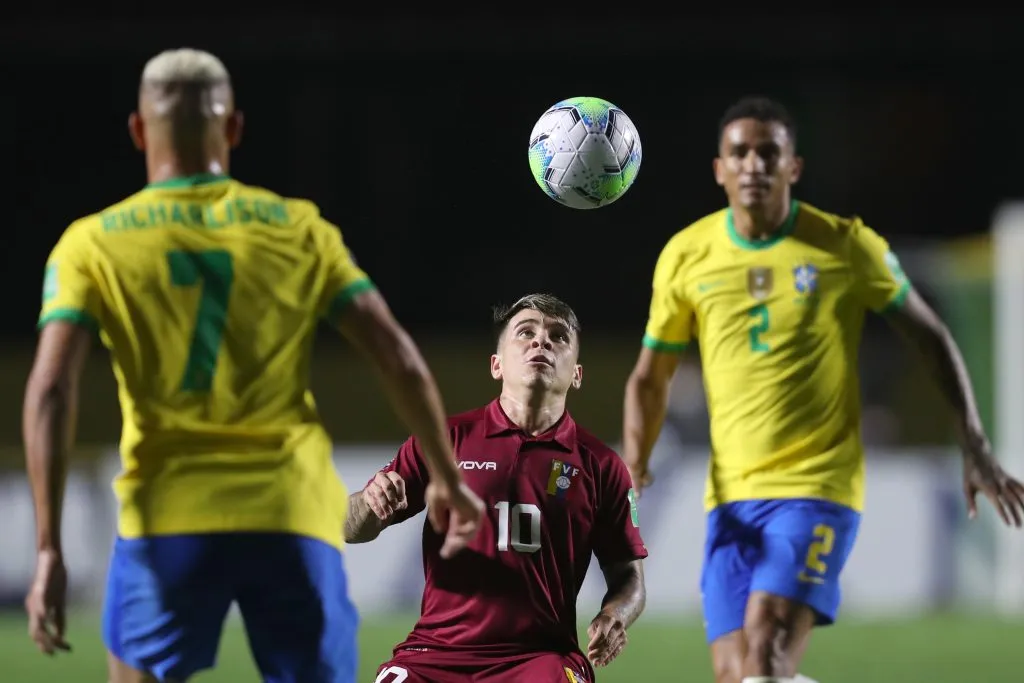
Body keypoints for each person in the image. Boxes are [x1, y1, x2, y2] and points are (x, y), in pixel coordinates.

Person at [21, 47, 483, 683]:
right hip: (289, 514)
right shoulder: (297, 228)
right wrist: (448, 478)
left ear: (137, 130)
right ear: (234, 127)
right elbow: (397, 358)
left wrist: (48, 547)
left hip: (165, 517)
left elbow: (49, 391)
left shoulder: (92, 243)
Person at [621, 96, 1024, 683]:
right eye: (740, 152)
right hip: (730, 497)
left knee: (765, 652)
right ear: (719, 169)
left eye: (768, 152)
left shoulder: (845, 245)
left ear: (793, 168)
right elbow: (649, 376)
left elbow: (930, 335)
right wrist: (634, 463)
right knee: (742, 676)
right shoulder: (686, 255)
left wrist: (975, 441)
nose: (753, 164)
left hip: (817, 488)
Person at [345, 293, 648, 683]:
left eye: (558, 337)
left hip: (541, 657)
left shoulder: (602, 465)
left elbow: (629, 578)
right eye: (526, 333)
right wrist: (370, 504)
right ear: (496, 365)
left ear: (577, 373)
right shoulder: (445, 440)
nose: (542, 342)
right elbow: (350, 529)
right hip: (435, 654)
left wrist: (614, 615)